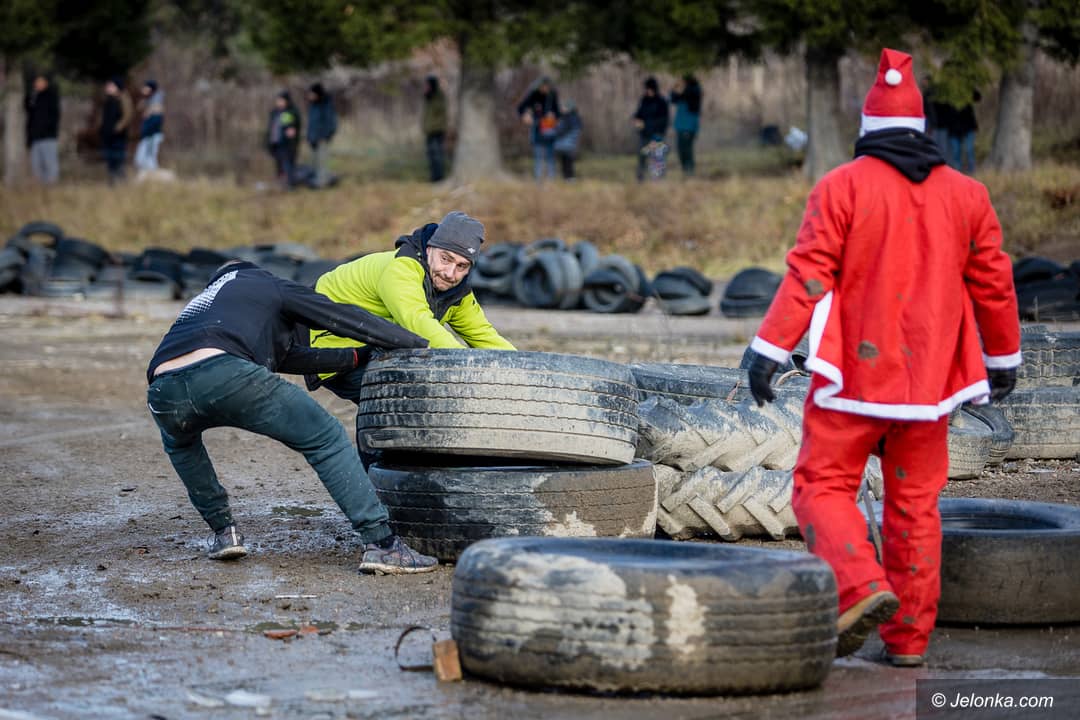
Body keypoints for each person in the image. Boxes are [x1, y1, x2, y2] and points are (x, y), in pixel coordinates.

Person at [743, 49, 1020, 668]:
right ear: (921, 127)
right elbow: (995, 283)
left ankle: (859, 586)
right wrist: (1003, 357)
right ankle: (909, 642)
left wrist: (769, 350)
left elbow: (808, 274)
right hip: (930, 390)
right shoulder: (969, 195)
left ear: (867, 126)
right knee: (914, 507)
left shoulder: (841, 186)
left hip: (852, 381)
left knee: (821, 486)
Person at [146, 260, 439, 574]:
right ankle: (382, 544)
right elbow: (340, 317)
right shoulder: (264, 283)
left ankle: (224, 533)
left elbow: (287, 358)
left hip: (163, 390)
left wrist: (355, 356)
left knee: (183, 447)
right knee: (325, 436)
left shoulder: (205, 304)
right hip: (226, 371)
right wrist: (415, 344)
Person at [309, 212, 515, 443]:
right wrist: (466, 370)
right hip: (328, 343)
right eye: (445, 259)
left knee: (424, 388)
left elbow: (485, 336)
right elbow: (417, 322)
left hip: (374, 346)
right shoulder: (402, 268)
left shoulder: (457, 292)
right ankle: (377, 461)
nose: (450, 273)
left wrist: (523, 374)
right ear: (429, 249)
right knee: (401, 393)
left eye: (461, 266)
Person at [516, 76, 560, 182]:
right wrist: (525, 116)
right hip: (537, 129)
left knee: (550, 156)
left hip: (550, 129)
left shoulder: (552, 95)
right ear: (539, 86)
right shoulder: (533, 95)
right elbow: (520, 108)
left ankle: (552, 179)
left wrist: (554, 115)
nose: (545, 88)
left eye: (547, 86)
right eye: (543, 86)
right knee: (538, 155)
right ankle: (538, 179)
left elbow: (558, 112)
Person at [25, 73, 61, 185]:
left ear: (46, 83)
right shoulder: (33, 96)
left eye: (40, 81)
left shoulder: (51, 96)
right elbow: (28, 109)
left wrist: (48, 128)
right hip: (34, 137)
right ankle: (39, 187)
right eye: (36, 81)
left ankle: (51, 185)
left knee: (50, 163)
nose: (37, 84)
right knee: (36, 165)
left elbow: (54, 116)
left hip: (48, 137)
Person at [632, 77, 669, 182]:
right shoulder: (644, 100)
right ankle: (640, 178)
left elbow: (664, 120)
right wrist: (636, 119)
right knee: (642, 156)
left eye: (650, 89)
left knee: (657, 157)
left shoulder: (661, 101)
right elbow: (638, 114)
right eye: (647, 89)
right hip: (644, 134)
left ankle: (658, 180)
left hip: (657, 134)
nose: (648, 91)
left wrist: (648, 124)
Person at [100, 77, 133, 184]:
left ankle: (122, 182)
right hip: (107, 135)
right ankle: (113, 183)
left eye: (111, 86)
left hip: (118, 136)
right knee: (110, 160)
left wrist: (118, 128)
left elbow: (127, 116)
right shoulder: (107, 100)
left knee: (118, 159)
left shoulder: (123, 99)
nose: (108, 88)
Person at [306, 82, 337, 188]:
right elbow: (311, 123)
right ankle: (316, 180)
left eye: (311, 93)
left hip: (322, 138)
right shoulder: (313, 105)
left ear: (317, 94)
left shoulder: (326, 105)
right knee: (314, 161)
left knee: (322, 161)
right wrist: (309, 136)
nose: (309, 96)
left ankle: (322, 182)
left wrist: (325, 136)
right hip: (313, 139)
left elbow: (331, 123)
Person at [266, 91, 300, 188]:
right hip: (275, 143)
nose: (279, 102)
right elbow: (270, 128)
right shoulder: (275, 112)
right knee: (279, 164)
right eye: (278, 100)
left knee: (287, 164)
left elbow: (290, 128)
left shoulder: (289, 112)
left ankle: (289, 184)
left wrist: (290, 131)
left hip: (286, 144)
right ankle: (281, 183)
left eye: (281, 100)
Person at [670, 75, 702, 176]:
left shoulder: (694, 90)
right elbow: (673, 99)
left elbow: (686, 95)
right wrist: (675, 87)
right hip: (680, 126)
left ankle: (690, 171)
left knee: (687, 149)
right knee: (680, 149)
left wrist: (681, 87)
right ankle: (685, 170)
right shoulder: (682, 92)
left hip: (689, 126)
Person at [421, 75, 448, 182]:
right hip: (429, 130)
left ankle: (439, 177)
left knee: (437, 154)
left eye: (427, 85)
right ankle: (434, 177)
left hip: (437, 130)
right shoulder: (428, 97)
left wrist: (429, 95)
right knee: (431, 155)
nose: (425, 87)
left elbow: (439, 110)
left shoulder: (439, 96)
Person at [134, 79, 165, 172]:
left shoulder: (156, 102)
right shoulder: (147, 101)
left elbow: (156, 121)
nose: (143, 89)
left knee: (149, 159)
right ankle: (148, 176)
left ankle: (153, 177)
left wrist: (148, 133)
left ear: (151, 89)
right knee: (141, 159)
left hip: (151, 135)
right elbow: (139, 109)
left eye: (145, 87)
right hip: (147, 135)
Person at [947, 90, 980, 174]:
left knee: (969, 150)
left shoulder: (966, 90)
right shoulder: (947, 93)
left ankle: (972, 171)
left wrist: (969, 87)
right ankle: (958, 173)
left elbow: (977, 97)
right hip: (954, 129)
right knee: (956, 152)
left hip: (968, 127)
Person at [552, 99, 582, 180]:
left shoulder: (569, 118)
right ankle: (568, 177)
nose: (562, 109)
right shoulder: (576, 117)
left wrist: (553, 131)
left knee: (566, 161)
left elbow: (562, 130)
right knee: (567, 160)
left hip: (565, 143)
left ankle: (569, 177)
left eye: (565, 107)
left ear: (569, 108)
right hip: (570, 144)